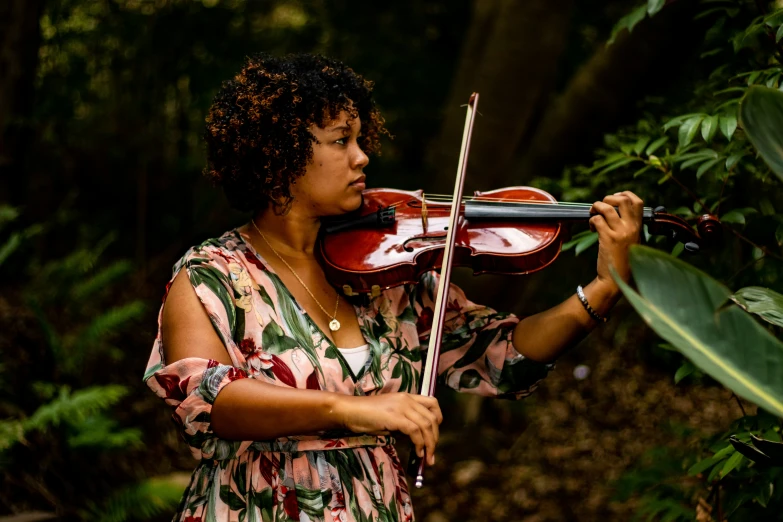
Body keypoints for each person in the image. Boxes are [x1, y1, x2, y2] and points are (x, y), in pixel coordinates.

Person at [143, 53, 644, 522]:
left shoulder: (389, 277)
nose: (362, 158)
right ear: (279, 156)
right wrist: (352, 408)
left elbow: (503, 356)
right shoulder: (212, 274)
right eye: (342, 141)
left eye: (360, 140)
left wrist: (603, 289)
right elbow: (209, 400)